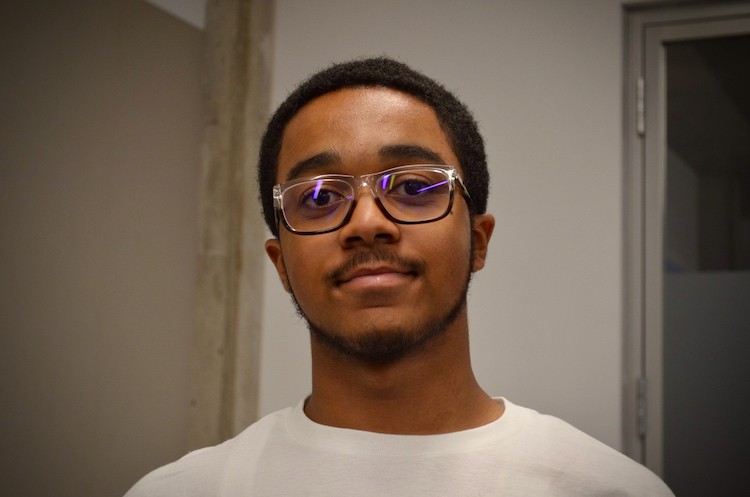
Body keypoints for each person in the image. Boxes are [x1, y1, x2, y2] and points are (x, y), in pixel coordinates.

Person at [125, 57, 673, 496]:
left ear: (478, 241)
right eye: (318, 196)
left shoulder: (606, 488)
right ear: (281, 265)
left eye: (413, 188)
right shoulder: (185, 490)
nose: (367, 223)